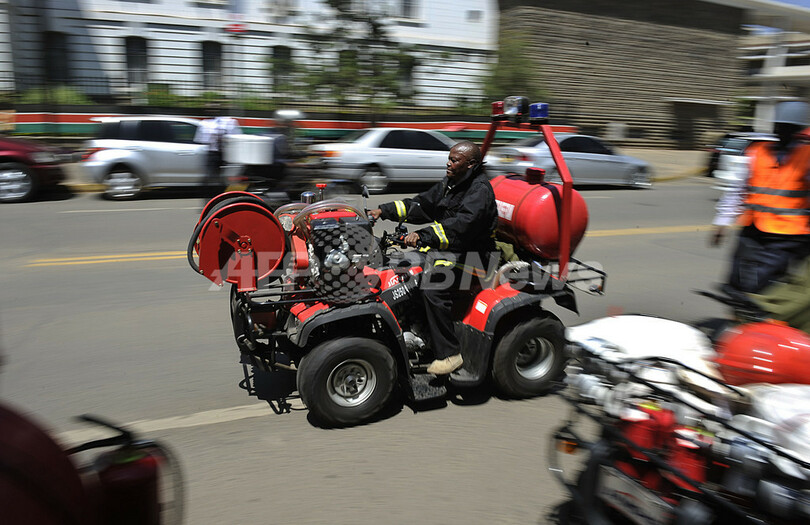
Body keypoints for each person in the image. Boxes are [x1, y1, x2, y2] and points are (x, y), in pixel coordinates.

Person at [368, 141, 498, 375]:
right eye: (449, 158)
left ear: (470, 164)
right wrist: (382, 211)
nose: (449, 163)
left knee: (433, 287)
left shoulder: (479, 191)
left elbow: (461, 227)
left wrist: (422, 235)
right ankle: (416, 327)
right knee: (402, 268)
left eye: (455, 160)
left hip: (474, 256)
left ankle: (449, 355)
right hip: (453, 251)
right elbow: (422, 204)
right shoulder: (452, 183)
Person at [710, 101, 810, 295]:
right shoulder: (757, 151)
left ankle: (758, 319)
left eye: (788, 128)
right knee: (735, 282)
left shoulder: (807, 155)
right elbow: (738, 190)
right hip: (752, 228)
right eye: (779, 126)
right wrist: (722, 221)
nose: (782, 132)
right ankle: (738, 319)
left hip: (788, 235)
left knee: (761, 284)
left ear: (799, 129)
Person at [194, 113, 242, 198]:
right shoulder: (205, 124)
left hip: (224, 154)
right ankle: (211, 198)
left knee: (222, 179)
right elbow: (202, 139)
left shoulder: (229, 122)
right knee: (210, 178)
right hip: (212, 153)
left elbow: (236, 136)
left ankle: (221, 197)